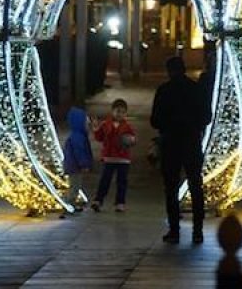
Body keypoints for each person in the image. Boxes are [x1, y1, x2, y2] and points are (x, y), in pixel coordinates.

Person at [151, 54, 212, 244]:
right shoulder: (196, 89)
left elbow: (155, 120)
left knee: (171, 188)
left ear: (169, 71)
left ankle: (174, 230)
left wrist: (168, 125)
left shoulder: (164, 91)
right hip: (192, 142)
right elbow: (207, 117)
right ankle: (197, 231)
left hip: (170, 143)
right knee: (195, 186)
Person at [91, 98, 136, 212]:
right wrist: (96, 129)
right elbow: (100, 138)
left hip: (123, 158)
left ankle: (120, 203)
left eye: (122, 112)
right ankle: (98, 200)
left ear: (125, 113)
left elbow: (132, 140)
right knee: (105, 180)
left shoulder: (127, 126)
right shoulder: (106, 124)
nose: (119, 114)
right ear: (112, 111)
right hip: (109, 157)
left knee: (121, 182)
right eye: (117, 111)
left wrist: (131, 140)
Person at [61, 103, 95, 213]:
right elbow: (79, 152)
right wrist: (84, 164)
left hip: (73, 166)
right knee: (75, 186)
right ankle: (67, 203)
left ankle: (70, 203)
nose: (88, 124)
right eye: (86, 122)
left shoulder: (78, 135)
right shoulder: (78, 137)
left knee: (75, 185)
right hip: (74, 167)